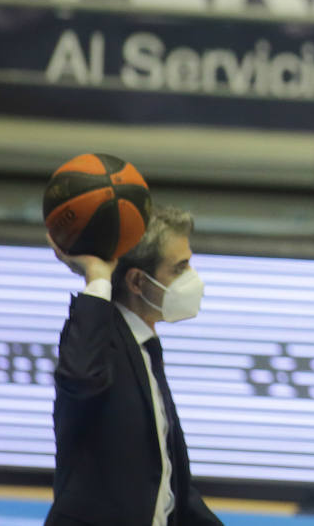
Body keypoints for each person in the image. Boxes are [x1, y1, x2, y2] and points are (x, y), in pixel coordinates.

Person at [46, 205, 222, 526]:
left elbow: (168, 487)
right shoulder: (100, 341)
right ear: (138, 281)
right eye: (180, 268)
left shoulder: (145, 346)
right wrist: (98, 280)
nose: (192, 279)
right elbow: (80, 377)